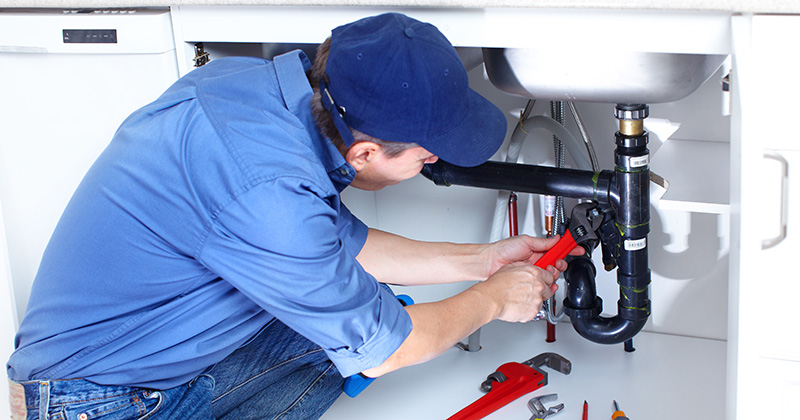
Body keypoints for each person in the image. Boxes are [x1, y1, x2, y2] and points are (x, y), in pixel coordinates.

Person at [7, 13, 573, 420]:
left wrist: (483, 261)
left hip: (141, 353)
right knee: (370, 338)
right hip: (99, 401)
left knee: (347, 328)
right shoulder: (270, 195)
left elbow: (336, 247)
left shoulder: (255, 89)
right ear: (366, 154)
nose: (435, 162)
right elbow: (387, 351)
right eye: (427, 156)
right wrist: (496, 299)